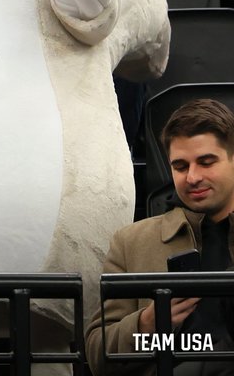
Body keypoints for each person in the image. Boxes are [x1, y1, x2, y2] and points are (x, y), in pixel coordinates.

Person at [86, 98, 234, 375]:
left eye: (206, 162)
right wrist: (147, 324)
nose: (192, 177)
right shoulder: (131, 242)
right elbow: (97, 357)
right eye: (180, 166)